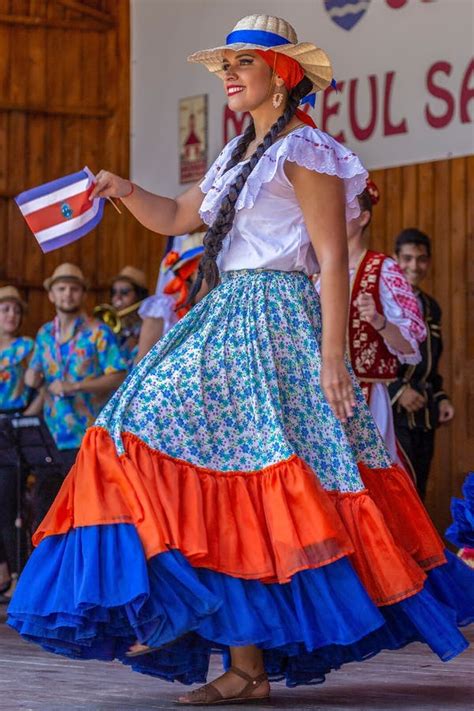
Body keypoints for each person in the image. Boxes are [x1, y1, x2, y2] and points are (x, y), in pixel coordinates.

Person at [8, 14, 473, 706]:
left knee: (257, 481)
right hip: (225, 319)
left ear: (281, 76)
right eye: (224, 65)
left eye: (241, 64)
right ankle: (229, 649)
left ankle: (247, 665)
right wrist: (121, 188)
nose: (228, 75)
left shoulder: (308, 151)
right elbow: (176, 217)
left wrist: (333, 356)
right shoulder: (233, 155)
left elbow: (333, 258)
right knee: (136, 436)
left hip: (278, 323)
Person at [344, 181, 427, 463]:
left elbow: (411, 342)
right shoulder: (315, 269)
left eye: (343, 208)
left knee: (369, 478)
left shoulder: (382, 269)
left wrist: (379, 321)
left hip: (366, 397)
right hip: (322, 398)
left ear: (363, 217)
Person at [24, 263, 127, 476]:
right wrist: (31, 378)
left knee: (83, 507)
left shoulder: (99, 332)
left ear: (83, 294)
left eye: (74, 288)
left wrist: (76, 386)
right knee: (48, 504)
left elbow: (119, 377)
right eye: (61, 289)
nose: (67, 294)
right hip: (50, 436)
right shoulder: (44, 333)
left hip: (88, 436)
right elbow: (36, 377)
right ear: (51, 295)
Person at [390, 228, 455, 499]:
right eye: (407, 258)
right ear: (395, 259)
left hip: (425, 417)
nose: (414, 266)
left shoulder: (431, 307)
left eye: (421, 259)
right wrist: (398, 390)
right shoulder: (385, 302)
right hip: (393, 415)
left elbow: (432, 364)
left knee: (418, 491)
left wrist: (441, 398)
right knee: (397, 492)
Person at [0, 287, 40, 597]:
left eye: (15, 310)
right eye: (5, 309)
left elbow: (39, 385)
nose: (11, 315)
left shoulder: (27, 348)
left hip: (14, 422)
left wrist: (26, 416)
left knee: (11, 503)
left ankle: (18, 573)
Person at [109, 266, 149, 370]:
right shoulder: (109, 322)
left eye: (124, 292)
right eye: (114, 292)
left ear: (140, 295)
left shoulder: (148, 325)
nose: (117, 298)